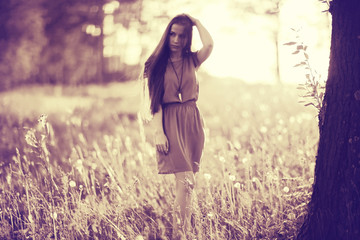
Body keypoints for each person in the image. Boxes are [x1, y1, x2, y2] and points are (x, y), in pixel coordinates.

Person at [140, 13, 213, 239]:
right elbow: (155, 102)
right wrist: (159, 132)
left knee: (188, 182)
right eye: (172, 34)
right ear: (167, 34)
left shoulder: (192, 60)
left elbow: (209, 44)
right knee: (186, 181)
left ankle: (185, 231)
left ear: (187, 38)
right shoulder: (155, 64)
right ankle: (180, 234)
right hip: (169, 121)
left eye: (182, 36)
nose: (176, 40)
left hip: (192, 121)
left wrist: (197, 22)